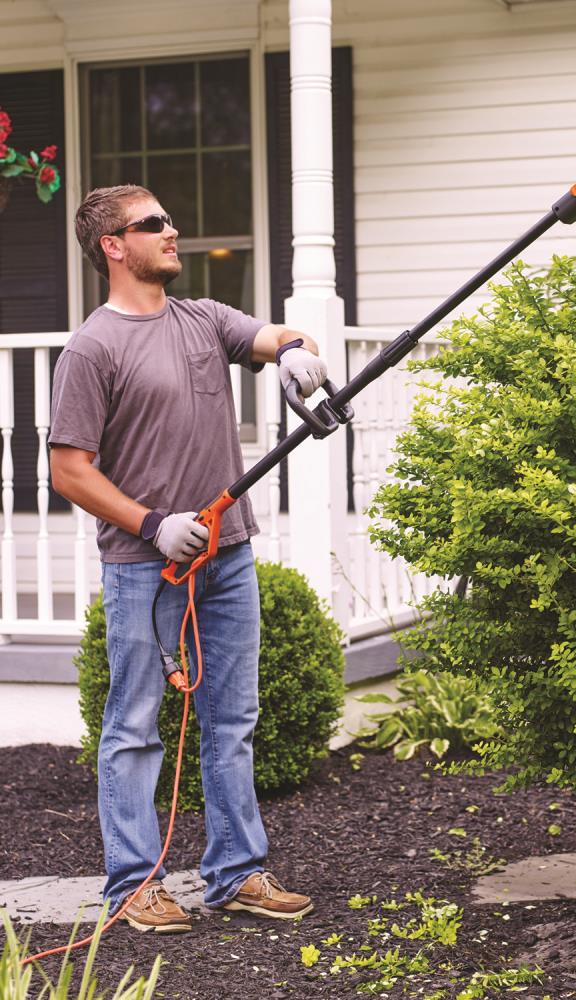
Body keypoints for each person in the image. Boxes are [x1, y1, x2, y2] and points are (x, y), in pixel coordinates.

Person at [49, 184, 325, 934]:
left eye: (170, 218)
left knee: (231, 720)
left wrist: (299, 353)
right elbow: (69, 469)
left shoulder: (203, 320)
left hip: (228, 556)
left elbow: (273, 335)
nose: (174, 231)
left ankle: (235, 874)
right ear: (113, 245)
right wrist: (152, 523)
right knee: (135, 725)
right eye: (154, 224)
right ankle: (133, 886)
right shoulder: (91, 348)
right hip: (147, 566)